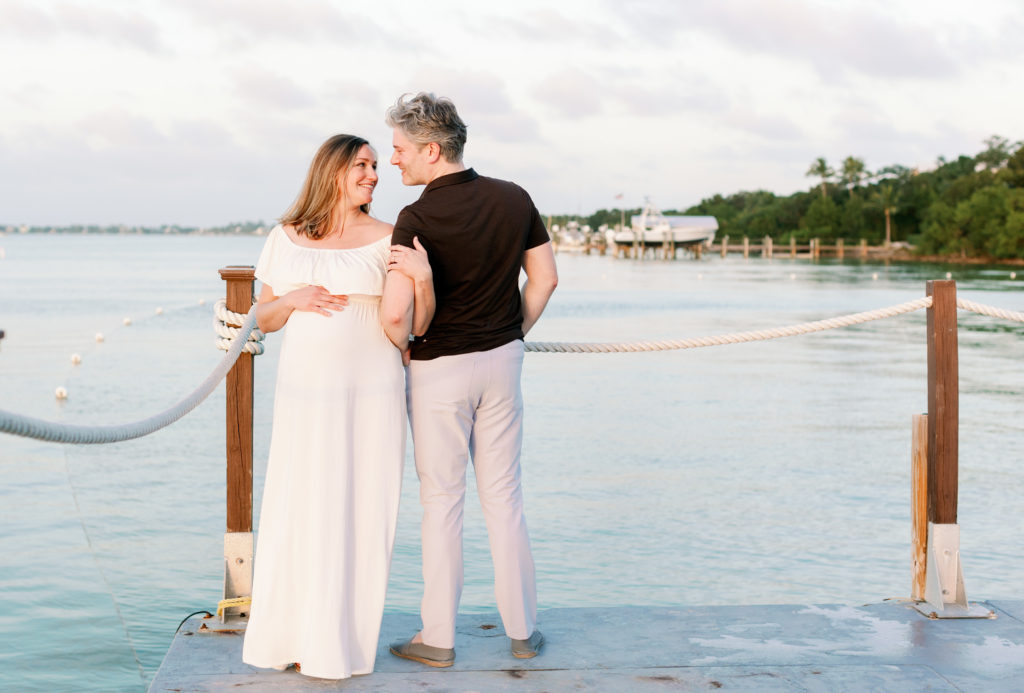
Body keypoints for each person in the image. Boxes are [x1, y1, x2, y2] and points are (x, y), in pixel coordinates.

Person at [241, 134, 433, 679]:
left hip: (371, 391)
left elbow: (413, 323)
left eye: (376, 165)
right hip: (304, 394)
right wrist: (292, 298)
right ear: (332, 171)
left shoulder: (392, 236)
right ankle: (287, 636)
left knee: (360, 508)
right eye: (362, 166)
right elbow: (266, 317)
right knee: (298, 503)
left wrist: (423, 280)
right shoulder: (286, 237)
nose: (374, 174)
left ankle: (339, 645)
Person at [381, 92, 558, 668]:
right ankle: (524, 634)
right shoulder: (514, 198)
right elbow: (546, 279)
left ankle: (438, 638)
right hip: (504, 360)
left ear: (432, 150)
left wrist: (406, 344)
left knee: (442, 504)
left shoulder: (416, 219)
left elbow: (392, 315)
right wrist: (513, 331)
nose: (394, 160)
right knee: (505, 497)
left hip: (438, 370)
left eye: (401, 149)